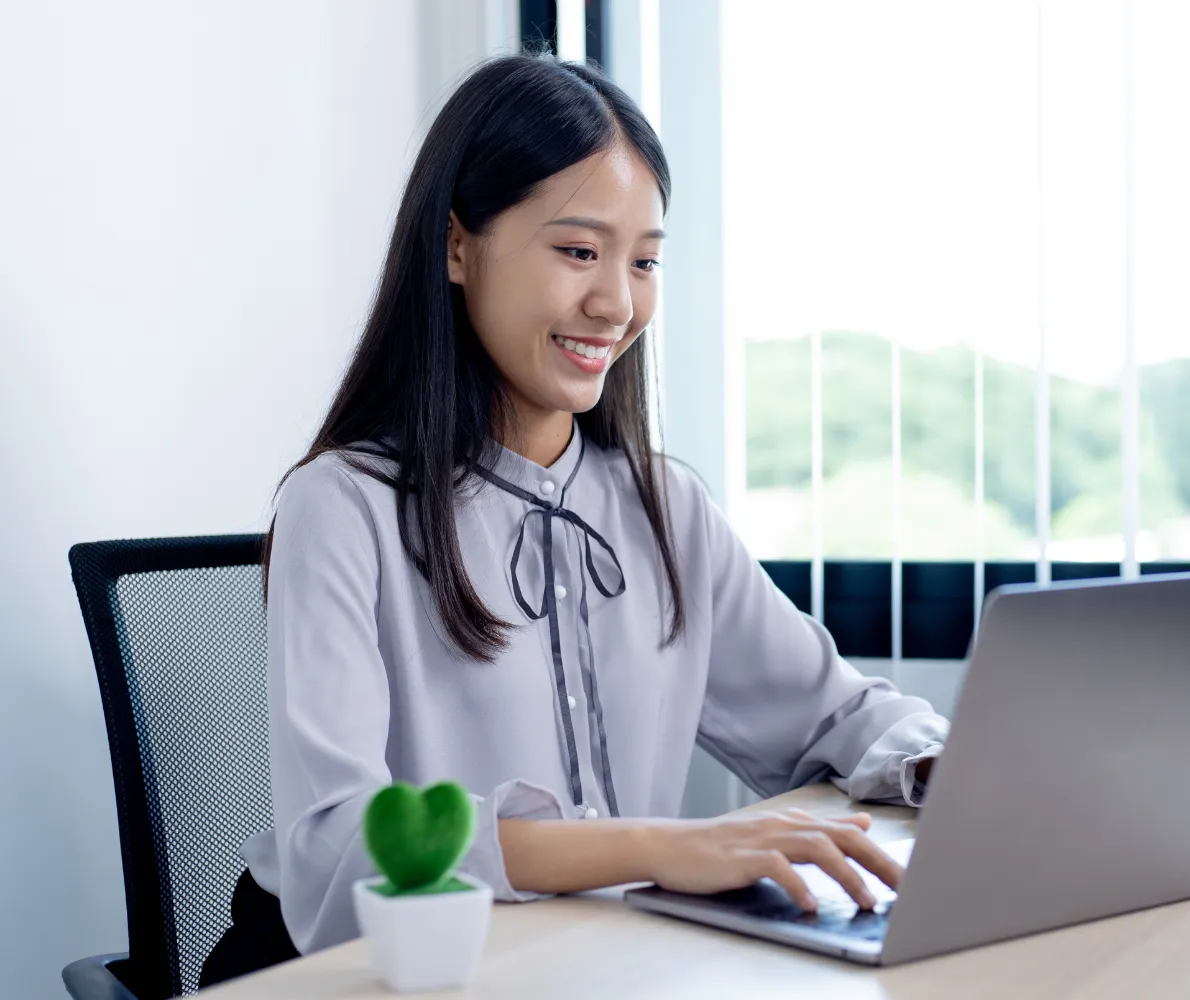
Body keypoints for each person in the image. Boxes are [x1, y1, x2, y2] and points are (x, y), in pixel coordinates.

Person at [200, 52, 947, 988]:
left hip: (589, 963)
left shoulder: (664, 508)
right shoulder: (341, 508)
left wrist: (947, 770)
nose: (618, 302)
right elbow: (336, 852)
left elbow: (833, 714)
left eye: (645, 261)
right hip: (381, 974)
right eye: (579, 251)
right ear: (457, 246)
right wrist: (660, 848)